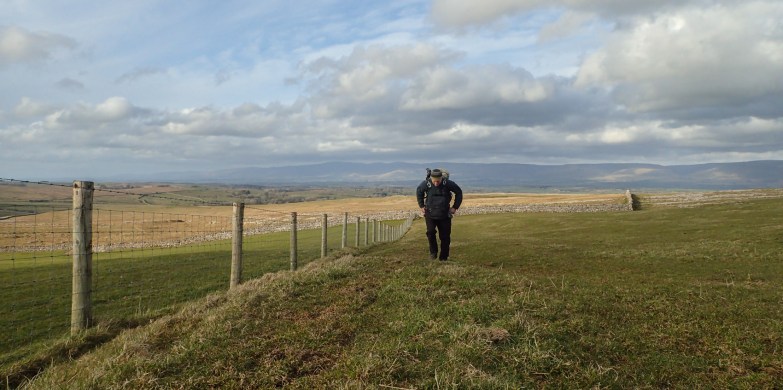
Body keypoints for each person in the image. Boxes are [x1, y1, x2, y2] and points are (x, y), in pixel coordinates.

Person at [416, 168, 463, 261]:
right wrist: (421, 206)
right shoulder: (426, 183)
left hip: (445, 215)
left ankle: (443, 258)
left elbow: (459, 192)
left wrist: (455, 207)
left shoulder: (448, 183)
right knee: (430, 233)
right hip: (430, 214)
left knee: (445, 237)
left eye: (438, 181)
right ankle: (433, 253)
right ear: (431, 178)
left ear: (442, 178)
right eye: (434, 181)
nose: (436, 183)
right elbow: (419, 192)